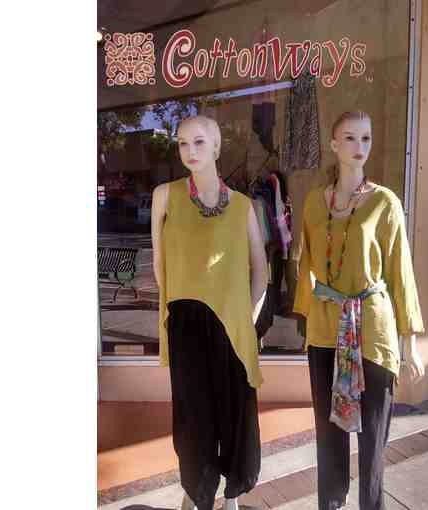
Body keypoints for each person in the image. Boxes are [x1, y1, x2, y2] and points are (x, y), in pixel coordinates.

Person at [294, 110, 426, 510]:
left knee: (372, 438)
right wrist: (304, 317)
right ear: (334, 145)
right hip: (325, 328)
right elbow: (305, 263)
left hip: (372, 328)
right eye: (350, 138)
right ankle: (330, 504)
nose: (359, 146)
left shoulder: (385, 202)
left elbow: (401, 271)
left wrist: (410, 342)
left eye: (366, 138)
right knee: (328, 433)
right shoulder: (315, 202)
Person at [151, 115, 268, 510]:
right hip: (185, 322)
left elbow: (261, 269)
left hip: (232, 325)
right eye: (182, 143)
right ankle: (196, 492)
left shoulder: (242, 206)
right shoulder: (165, 196)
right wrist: (172, 310)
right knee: (193, 419)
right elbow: (159, 265)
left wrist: (247, 319)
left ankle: (231, 496)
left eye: (199, 142)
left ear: (217, 147)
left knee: (233, 414)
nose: (190, 151)